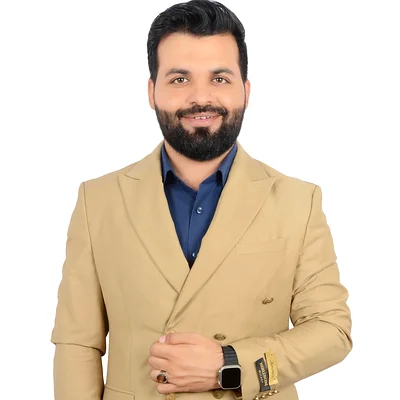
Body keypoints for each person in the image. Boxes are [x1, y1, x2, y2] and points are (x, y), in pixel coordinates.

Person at [50, 1, 353, 399]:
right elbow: (77, 342)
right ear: (152, 91)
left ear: (245, 90)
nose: (200, 97)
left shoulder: (298, 201)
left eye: (220, 78)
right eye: (179, 79)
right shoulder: (98, 200)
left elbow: (332, 331)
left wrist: (230, 364)